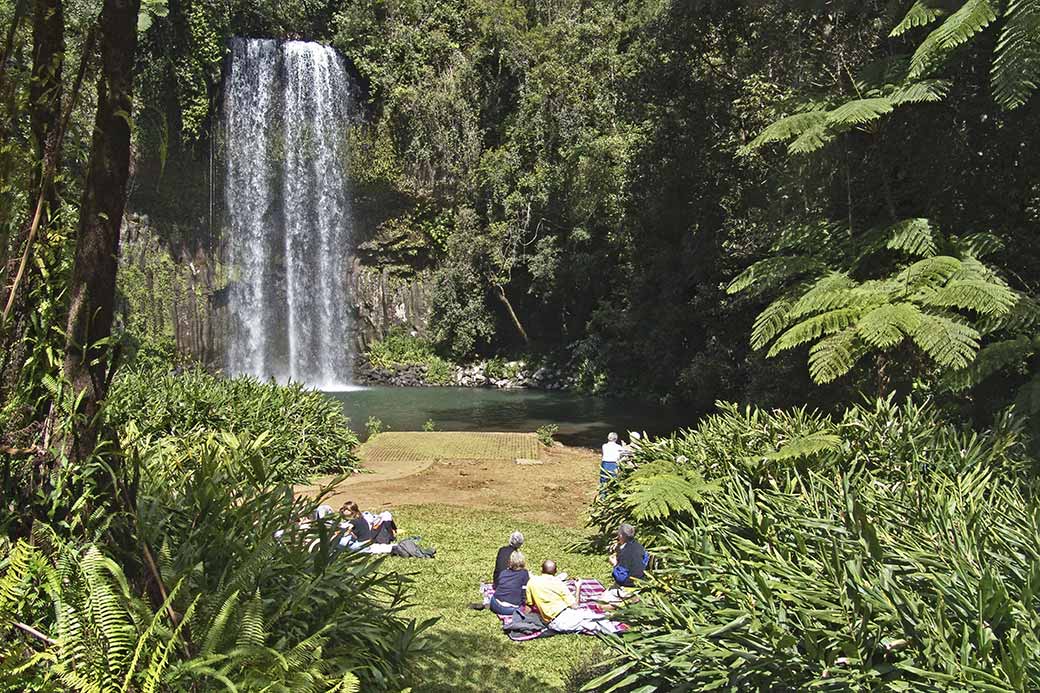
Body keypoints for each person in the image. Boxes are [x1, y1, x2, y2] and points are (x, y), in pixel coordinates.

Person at [527, 559, 614, 634]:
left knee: (589, 617)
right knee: (594, 622)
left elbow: (530, 604)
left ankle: (611, 624)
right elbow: (575, 606)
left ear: (541, 569)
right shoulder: (558, 583)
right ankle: (617, 631)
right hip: (563, 620)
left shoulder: (532, 582)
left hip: (552, 621)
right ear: (555, 571)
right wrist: (578, 587)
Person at [490, 551, 529, 616]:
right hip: (509, 609)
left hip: (494, 604)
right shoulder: (524, 574)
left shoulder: (504, 572)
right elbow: (524, 594)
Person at [610, 523, 647, 589]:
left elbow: (620, 578)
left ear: (620, 536)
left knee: (601, 597)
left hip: (628, 587)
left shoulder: (625, 552)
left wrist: (615, 564)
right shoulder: (640, 547)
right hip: (641, 584)